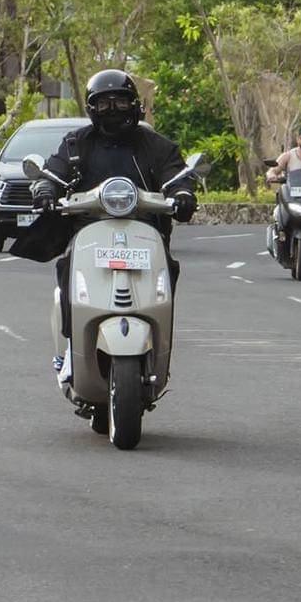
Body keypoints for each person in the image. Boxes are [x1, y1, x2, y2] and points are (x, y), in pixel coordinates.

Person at [31, 69, 198, 384]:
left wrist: (183, 194)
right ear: (91, 109)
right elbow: (54, 171)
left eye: (120, 103)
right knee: (66, 268)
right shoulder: (76, 143)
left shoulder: (156, 144)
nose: (113, 111)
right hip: (88, 231)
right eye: (104, 104)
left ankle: (160, 348)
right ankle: (69, 348)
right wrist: (45, 190)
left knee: (169, 270)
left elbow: (177, 175)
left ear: (135, 105)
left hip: (145, 229)